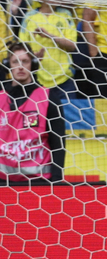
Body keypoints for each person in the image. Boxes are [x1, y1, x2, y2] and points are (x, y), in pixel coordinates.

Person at [0, 43, 64, 183]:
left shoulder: (48, 98)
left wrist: (57, 180)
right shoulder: (1, 97)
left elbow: (58, 143)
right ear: (8, 65)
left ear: (33, 65)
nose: (20, 66)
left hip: (39, 181)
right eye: (15, 61)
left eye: (25, 61)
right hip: (3, 181)